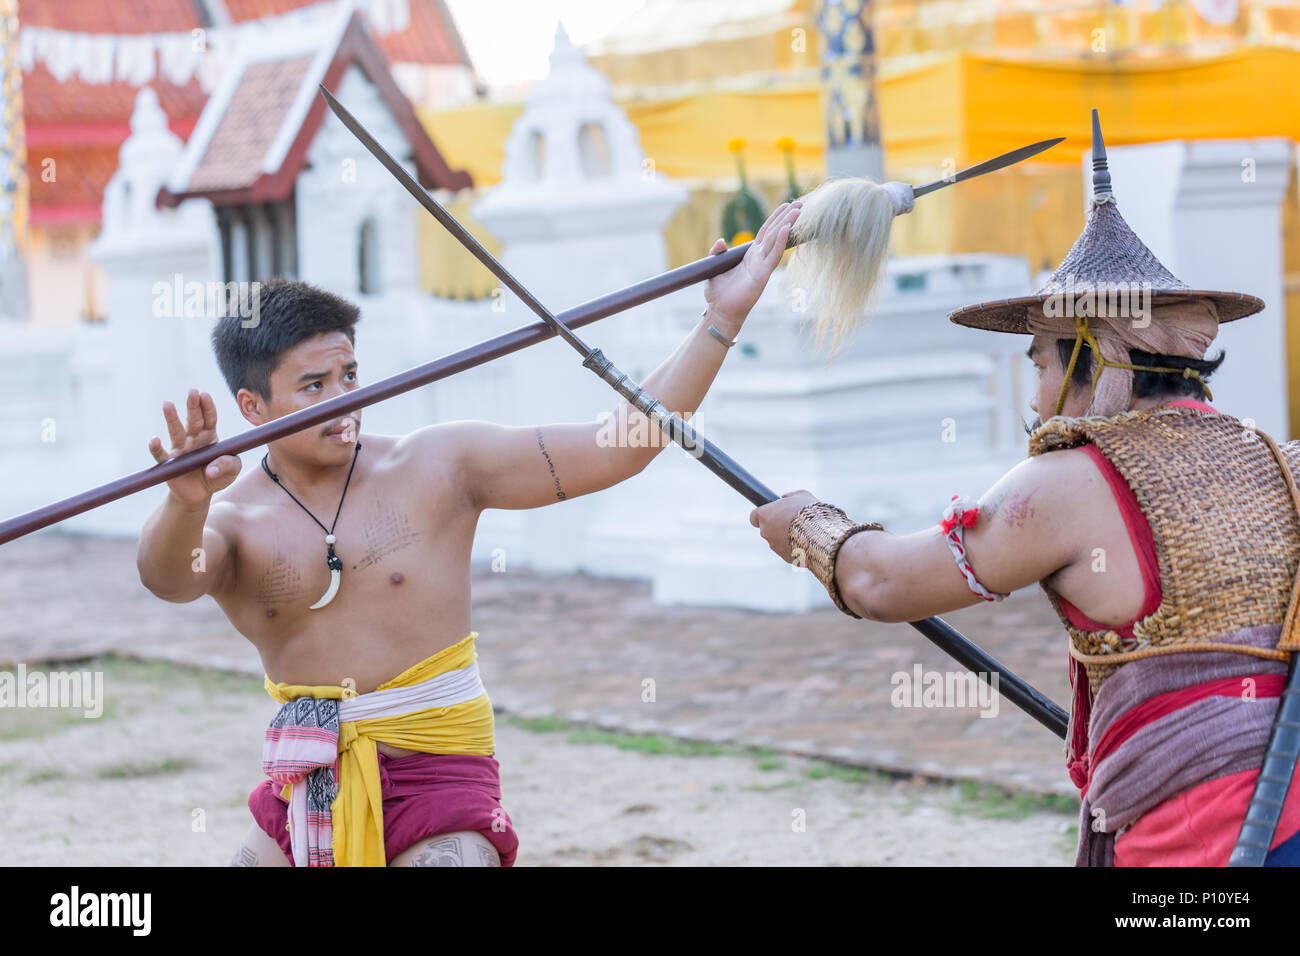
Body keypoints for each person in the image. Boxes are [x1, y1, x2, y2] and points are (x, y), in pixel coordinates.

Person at [136, 201, 803, 867]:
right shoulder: (230, 521)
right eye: (313, 387)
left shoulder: (438, 466)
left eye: (349, 375)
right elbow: (169, 580)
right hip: (307, 781)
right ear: (252, 407)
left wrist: (722, 318)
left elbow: (616, 447)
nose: (344, 402)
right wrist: (184, 500)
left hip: (439, 774)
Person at [750, 113, 1300, 866]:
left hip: (1201, 846)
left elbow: (879, 581)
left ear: (1096, 355)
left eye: (1041, 363)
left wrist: (805, 525)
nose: (1038, 399)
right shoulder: (1280, 461)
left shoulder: (1070, 482)